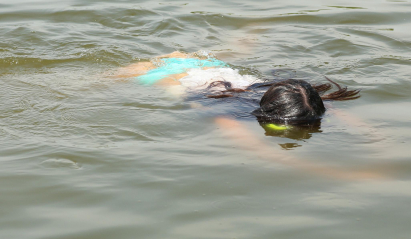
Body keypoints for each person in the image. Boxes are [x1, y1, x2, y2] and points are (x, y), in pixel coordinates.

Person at [117, 51, 385, 179]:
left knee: (233, 48)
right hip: (169, 75)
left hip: (213, 68)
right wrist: (337, 173)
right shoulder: (225, 113)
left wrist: (384, 149)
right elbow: (259, 150)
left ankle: (250, 30)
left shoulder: (304, 99)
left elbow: (368, 131)